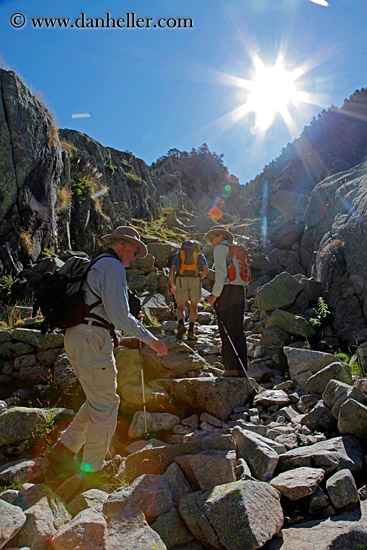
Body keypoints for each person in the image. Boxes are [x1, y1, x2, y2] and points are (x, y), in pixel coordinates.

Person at [45, 226, 167, 485]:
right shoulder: (113, 267)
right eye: (134, 250)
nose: (134, 256)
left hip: (77, 337)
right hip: (93, 339)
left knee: (97, 400)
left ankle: (62, 453)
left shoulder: (97, 263)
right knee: (107, 405)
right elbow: (119, 316)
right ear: (122, 244)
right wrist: (151, 339)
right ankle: (92, 473)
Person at [205, 225, 248, 377]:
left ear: (221, 236)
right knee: (238, 328)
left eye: (212, 238)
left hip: (227, 291)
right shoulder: (236, 249)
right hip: (240, 291)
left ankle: (230, 368)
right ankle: (242, 367)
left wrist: (214, 297)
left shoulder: (220, 249)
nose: (211, 242)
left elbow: (221, 276)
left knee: (226, 329)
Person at [169, 240, 208, 341]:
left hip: (181, 279)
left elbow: (172, 269)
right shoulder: (199, 254)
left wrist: (172, 285)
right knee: (194, 307)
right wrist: (200, 278)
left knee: (181, 307)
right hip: (195, 280)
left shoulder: (179, 254)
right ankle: (191, 331)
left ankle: (181, 325)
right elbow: (206, 269)